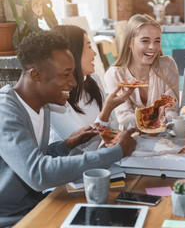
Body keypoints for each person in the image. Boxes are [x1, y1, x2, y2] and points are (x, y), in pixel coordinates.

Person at [0, 31, 136, 225]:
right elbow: (38, 173)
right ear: (35, 75)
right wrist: (116, 151)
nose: (73, 82)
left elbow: (28, 156)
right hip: (11, 219)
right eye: (66, 75)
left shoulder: (42, 105)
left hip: (35, 206)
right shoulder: (5, 111)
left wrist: (65, 145)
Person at [49, 25, 134, 154]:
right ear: (72, 53)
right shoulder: (53, 99)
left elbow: (113, 130)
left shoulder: (93, 79)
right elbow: (85, 146)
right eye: (89, 47)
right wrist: (108, 109)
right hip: (70, 167)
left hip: (100, 161)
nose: (94, 53)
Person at [104, 14, 179, 130]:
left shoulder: (167, 65)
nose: (152, 47)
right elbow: (125, 119)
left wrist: (144, 120)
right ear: (130, 42)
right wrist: (158, 119)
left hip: (163, 138)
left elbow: (172, 113)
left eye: (157, 41)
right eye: (145, 41)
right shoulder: (114, 75)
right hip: (131, 139)